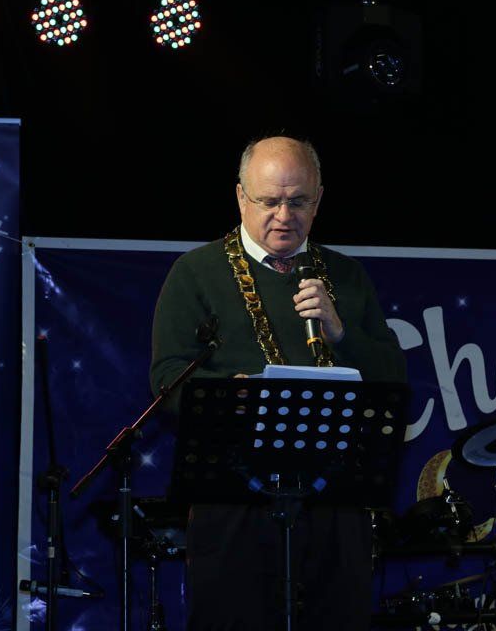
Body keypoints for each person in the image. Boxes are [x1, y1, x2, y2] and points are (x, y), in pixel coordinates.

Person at [150, 135, 406, 630]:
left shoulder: (346, 277)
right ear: (242, 197)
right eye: (269, 201)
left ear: (319, 199)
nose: (284, 215)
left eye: (298, 201)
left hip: (333, 497)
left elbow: (393, 378)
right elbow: (166, 380)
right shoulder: (196, 273)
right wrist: (234, 398)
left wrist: (341, 334)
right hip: (235, 500)